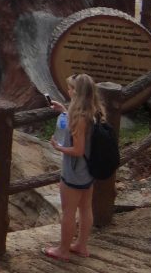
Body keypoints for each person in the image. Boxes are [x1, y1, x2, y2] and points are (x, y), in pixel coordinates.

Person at [45, 73, 102, 262]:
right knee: (85, 208)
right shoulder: (94, 111)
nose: (67, 91)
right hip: (88, 170)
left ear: (76, 93)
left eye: (69, 89)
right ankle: (81, 245)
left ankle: (63, 250)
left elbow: (77, 150)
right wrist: (63, 110)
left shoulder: (79, 118)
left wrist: (59, 147)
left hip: (75, 172)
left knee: (68, 211)